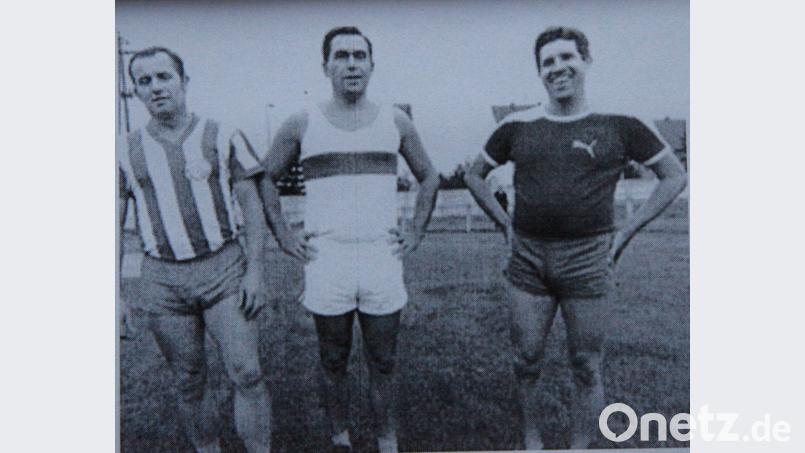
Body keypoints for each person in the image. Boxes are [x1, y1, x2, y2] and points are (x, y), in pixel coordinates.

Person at [463, 27, 687, 449]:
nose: (557, 68)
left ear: (585, 61)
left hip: (588, 259)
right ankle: (533, 442)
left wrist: (626, 232)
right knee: (525, 360)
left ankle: (579, 447)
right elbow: (474, 176)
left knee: (586, 365)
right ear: (539, 73)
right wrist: (504, 224)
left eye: (566, 58)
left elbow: (674, 176)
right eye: (547, 62)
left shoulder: (621, 122)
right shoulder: (518, 124)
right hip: (528, 258)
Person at [257, 26, 440, 453]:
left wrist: (415, 230)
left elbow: (429, 176)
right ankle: (340, 438)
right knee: (333, 360)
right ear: (326, 67)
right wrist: (283, 234)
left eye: (360, 56)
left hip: (381, 254)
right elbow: (265, 177)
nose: (352, 64)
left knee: (384, 361)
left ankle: (386, 440)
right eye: (342, 56)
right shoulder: (303, 121)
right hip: (328, 257)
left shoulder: (395, 119)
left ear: (372, 65)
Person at [118, 47, 272, 452]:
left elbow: (252, 207)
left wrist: (254, 270)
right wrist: (113, 294)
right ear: (135, 92)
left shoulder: (222, 135)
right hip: (162, 279)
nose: (156, 87)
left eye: (164, 77)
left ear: (184, 82)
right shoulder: (122, 150)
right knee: (189, 379)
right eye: (144, 81)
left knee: (247, 371)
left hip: (223, 268)